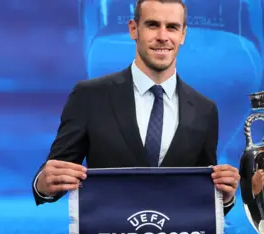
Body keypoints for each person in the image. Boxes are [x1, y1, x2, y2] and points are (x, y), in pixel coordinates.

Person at [32, 0, 240, 215]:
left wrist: (223, 198)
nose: (162, 36)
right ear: (133, 29)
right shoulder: (89, 96)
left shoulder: (205, 110)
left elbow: (199, 196)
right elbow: (57, 171)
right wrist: (43, 184)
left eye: (172, 27)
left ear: (183, 35)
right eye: (152, 25)